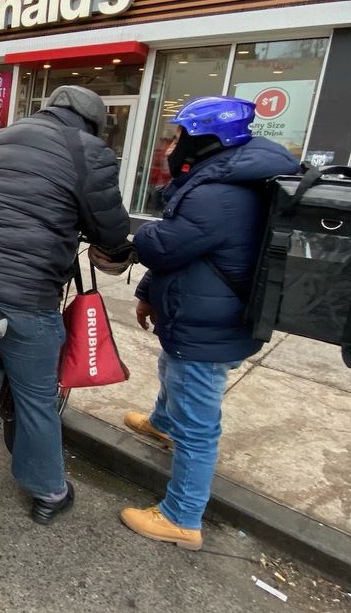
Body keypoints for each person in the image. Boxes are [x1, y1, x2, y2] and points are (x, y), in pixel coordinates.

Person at [0, 85, 133, 525]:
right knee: (37, 396)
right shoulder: (89, 151)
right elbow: (110, 227)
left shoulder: (0, 136)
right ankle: (48, 490)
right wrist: (120, 252)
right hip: (25, 292)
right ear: (92, 123)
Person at [120, 96, 297, 550]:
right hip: (200, 310)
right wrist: (147, 294)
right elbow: (187, 255)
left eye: (179, 136)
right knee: (171, 371)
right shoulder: (228, 177)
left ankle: (182, 517)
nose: (171, 145)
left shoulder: (218, 192)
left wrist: (135, 233)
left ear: (206, 140)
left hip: (209, 322)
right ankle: (163, 423)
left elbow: (164, 246)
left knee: (198, 423)